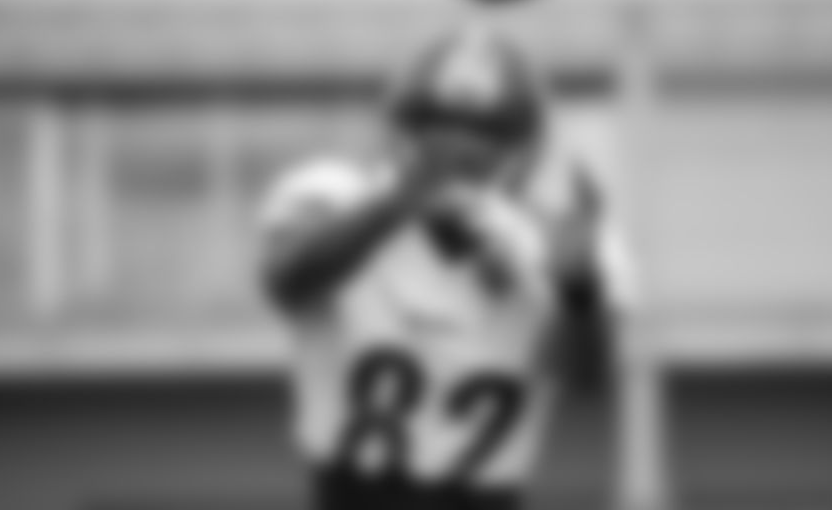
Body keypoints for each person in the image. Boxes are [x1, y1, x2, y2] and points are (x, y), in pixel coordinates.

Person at [255, 26, 637, 510]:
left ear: (522, 149)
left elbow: (584, 378)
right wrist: (400, 198)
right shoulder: (332, 197)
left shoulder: (549, 241)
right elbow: (286, 283)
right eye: (437, 130)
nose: (456, 153)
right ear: (401, 131)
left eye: (482, 136)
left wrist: (579, 292)